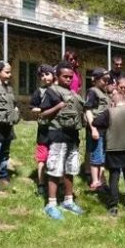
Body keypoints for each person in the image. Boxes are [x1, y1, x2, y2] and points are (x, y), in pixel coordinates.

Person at [40, 61, 85, 220]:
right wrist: (58, 106)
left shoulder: (74, 94)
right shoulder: (51, 91)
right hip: (57, 134)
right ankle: (51, 204)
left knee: (70, 169)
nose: (68, 79)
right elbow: (43, 114)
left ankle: (68, 201)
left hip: (73, 135)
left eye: (70, 77)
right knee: (54, 169)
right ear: (57, 76)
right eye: (65, 76)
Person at [84, 68, 111, 191]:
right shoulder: (93, 92)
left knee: (102, 156)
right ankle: (95, 182)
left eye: (108, 80)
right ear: (95, 80)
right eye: (104, 79)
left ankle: (101, 180)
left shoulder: (103, 93)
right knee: (96, 155)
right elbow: (88, 110)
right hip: (96, 129)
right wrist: (93, 128)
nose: (106, 82)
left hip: (105, 129)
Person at [30, 64, 55, 196]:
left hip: (57, 129)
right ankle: (41, 183)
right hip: (44, 130)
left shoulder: (59, 90)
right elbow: (32, 108)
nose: (45, 77)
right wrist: (43, 109)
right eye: (42, 75)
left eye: (47, 74)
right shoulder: (38, 92)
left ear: (53, 75)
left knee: (56, 156)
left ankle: (59, 183)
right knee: (42, 158)